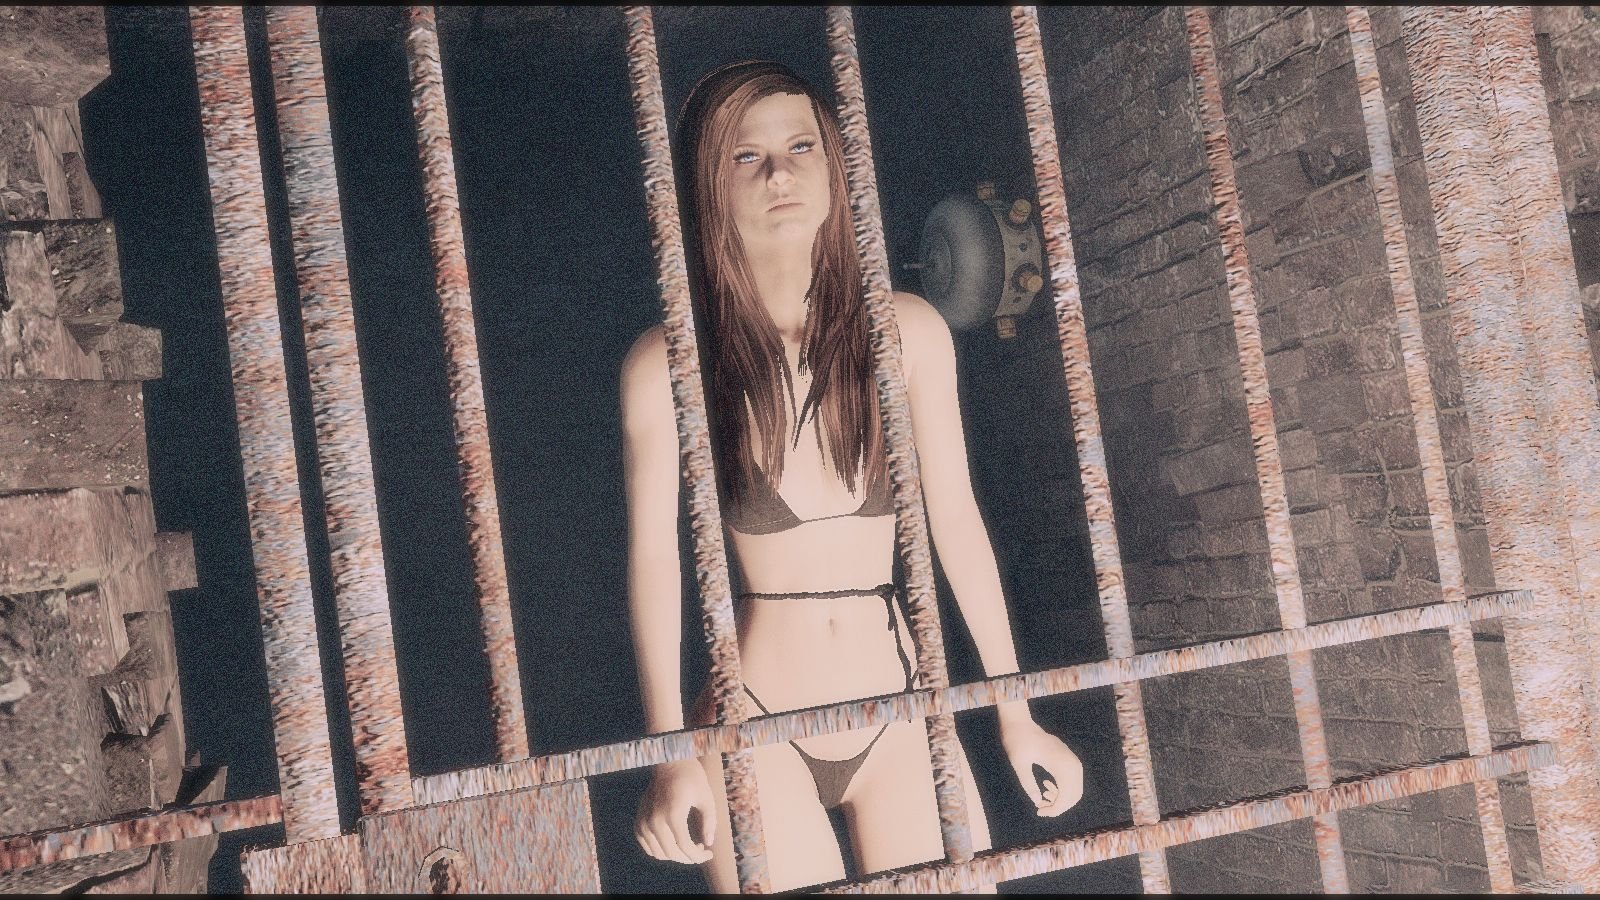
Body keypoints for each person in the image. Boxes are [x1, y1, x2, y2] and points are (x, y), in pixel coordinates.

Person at [620, 59, 1084, 892]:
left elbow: (958, 523)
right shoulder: (670, 364)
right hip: (753, 720)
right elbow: (655, 564)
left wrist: (1016, 714)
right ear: (708, 183)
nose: (780, 173)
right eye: (747, 155)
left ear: (835, 165)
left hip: (901, 706)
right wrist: (671, 753)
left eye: (801, 146)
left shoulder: (908, 333)